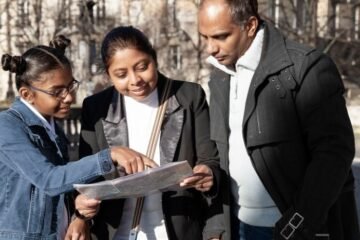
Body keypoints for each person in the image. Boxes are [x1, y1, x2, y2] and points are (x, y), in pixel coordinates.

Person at [198, 0, 360, 239]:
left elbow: (334, 154)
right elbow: (223, 151)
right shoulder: (219, 77)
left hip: (292, 229)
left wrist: (296, 225)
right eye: (205, 37)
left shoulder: (306, 66)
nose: (210, 48)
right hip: (238, 226)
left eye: (221, 36)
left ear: (250, 25)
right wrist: (218, 224)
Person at [70, 26, 221, 240]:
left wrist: (207, 174)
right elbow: (86, 177)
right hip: (115, 232)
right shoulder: (96, 107)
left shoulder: (189, 96)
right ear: (108, 74)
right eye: (121, 74)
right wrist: (81, 211)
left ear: (154, 58)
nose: (135, 80)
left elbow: (211, 159)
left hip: (180, 229)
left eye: (142, 67)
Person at [0, 35, 157, 240]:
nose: (69, 97)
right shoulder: (7, 126)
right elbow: (49, 180)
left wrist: (80, 214)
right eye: (57, 91)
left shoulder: (52, 129)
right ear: (27, 94)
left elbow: (64, 187)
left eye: (71, 86)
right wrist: (109, 155)